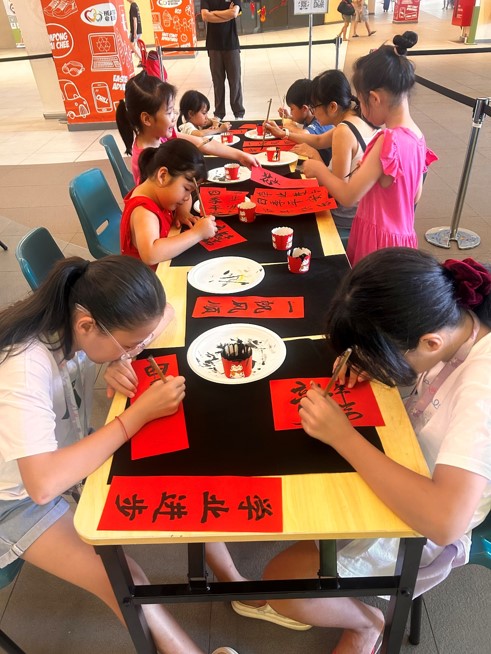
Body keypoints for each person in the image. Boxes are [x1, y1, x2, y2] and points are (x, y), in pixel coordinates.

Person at [0, 254, 240, 654]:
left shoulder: (67, 321)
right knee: (124, 579)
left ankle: (234, 582)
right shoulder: (24, 368)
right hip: (14, 500)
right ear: (87, 326)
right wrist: (137, 416)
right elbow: (41, 484)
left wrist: (118, 355)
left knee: (176, 473)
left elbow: (164, 312)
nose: (135, 351)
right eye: (129, 345)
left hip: (56, 455)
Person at [258, 247, 491, 654]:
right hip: (408, 456)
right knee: (301, 497)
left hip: (429, 517)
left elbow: (445, 521)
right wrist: (375, 362)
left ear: (430, 342)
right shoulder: (453, 323)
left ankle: (368, 624)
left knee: (281, 585)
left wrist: (344, 438)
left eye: (379, 354)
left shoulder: (482, 387)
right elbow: (424, 373)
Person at [301, 32, 437, 266]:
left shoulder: (387, 141)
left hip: (376, 242)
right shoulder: (417, 137)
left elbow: (348, 196)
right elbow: (415, 195)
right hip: (402, 240)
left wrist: (319, 170)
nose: (361, 109)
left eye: (361, 101)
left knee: (367, 286)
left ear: (374, 99)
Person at [266, 70, 378, 241]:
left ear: (332, 107)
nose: (314, 112)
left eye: (314, 107)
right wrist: (285, 134)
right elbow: (318, 140)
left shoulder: (343, 132)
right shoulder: (357, 118)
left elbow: (339, 193)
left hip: (343, 218)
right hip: (363, 212)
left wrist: (318, 167)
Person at [115, 71, 258, 186]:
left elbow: (202, 143)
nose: (174, 116)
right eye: (169, 112)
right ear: (147, 119)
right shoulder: (146, 160)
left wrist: (240, 156)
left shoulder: (161, 136)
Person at [120, 139, 217, 267]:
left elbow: (184, 198)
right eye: (186, 189)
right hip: (148, 277)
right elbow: (151, 254)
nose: (187, 198)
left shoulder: (158, 192)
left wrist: (182, 212)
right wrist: (197, 234)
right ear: (163, 176)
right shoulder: (143, 211)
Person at [201, 0, 245, 120]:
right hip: (213, 45)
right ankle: (219, 113)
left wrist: (213, 13)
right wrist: (227, 13)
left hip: (231, 45)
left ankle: (238, 113)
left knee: (235, 81)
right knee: (217, 82)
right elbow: (205, 16)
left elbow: (234, 13)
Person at [126, 0, 142, 65]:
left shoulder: (132, 6)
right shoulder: (136, 5)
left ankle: (141, 59)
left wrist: (134, 32)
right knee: (133, 44)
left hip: (135, 30)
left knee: (131, 45)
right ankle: (140, 58)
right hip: (138, 29)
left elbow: (135, 19)